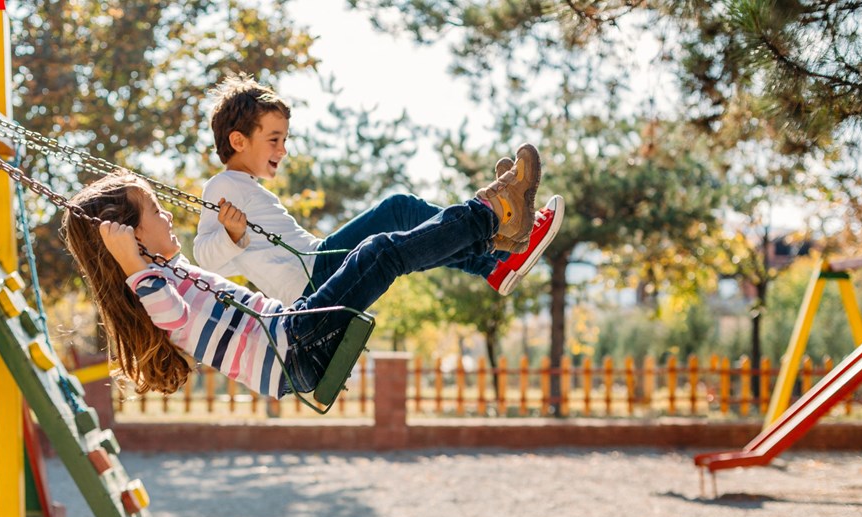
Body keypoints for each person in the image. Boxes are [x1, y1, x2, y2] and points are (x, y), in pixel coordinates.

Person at [61, 153, 545, 399]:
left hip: (292, 333)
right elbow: (174, 314)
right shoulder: (151, 288)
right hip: (293, 347)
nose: (167, 217)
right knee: (378, 253)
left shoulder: (163, 273)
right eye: (155, 211)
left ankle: (492, 235)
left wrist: (232, 237)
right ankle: (488, 217)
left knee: (380, 250)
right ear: (131, 236)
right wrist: (129, 263)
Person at [193, 74, 564, 303]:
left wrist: (234, 234)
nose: (283, 149)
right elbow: (205, 260)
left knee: (405, 229)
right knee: (399, 209)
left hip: (315, 266)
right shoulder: (222, 185)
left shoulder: (242, 185)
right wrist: (231, 233)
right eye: (274, 139)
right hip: (311, 279)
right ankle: (498, 250)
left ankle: (495, 261)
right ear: (239, 141)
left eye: (285, 139)